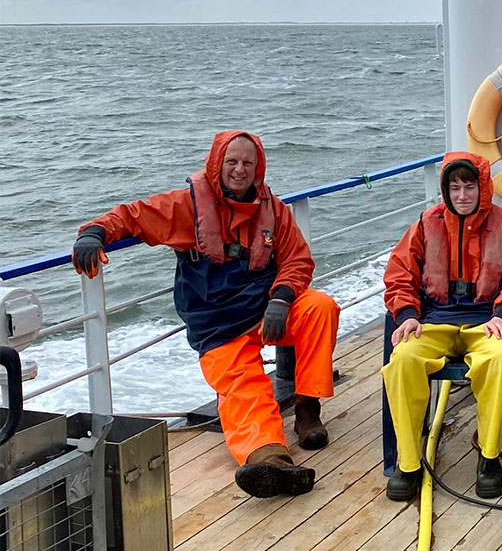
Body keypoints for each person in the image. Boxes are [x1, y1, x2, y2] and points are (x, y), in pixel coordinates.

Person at [71, 131, 340, 498]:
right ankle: (269, 459)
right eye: (232, 162)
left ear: (258, 168)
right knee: (243, 387)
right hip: (218, 324)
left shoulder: (273, 209)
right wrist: (94, 233)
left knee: (319, 307)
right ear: (217, 164)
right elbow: (134, 216)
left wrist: (281, 299)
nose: (240, 170)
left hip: (268, 311)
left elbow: (297, 260)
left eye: (248, 163)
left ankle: (308, 408)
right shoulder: (187, 206)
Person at [380, 152, 502, 502]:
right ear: (445, 190)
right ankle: (408, 463)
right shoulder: (424, 225)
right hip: (433, 321)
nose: (462, 195)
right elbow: (399, 275)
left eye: (469, 187)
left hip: (486, 322)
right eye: (455, 188)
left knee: (500, 361)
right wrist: (406, 314)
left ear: (483, 188)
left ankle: (489, 456)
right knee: (402, 361)